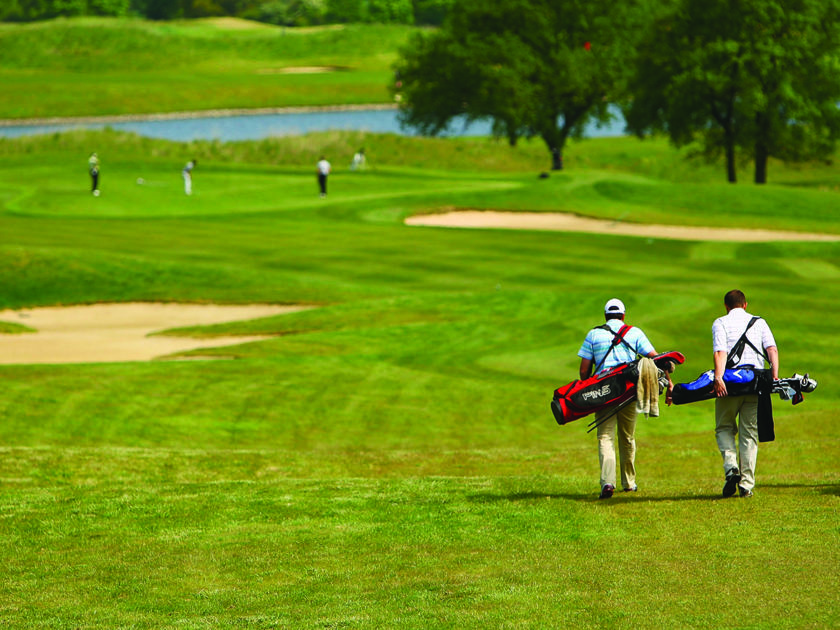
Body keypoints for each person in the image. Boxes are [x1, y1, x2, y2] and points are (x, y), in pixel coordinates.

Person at [578, 298, 672, 499]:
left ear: (605, 316)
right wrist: (669, 381)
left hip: (603, 392)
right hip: (629, 393)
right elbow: (656, 358)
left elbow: (584, 372)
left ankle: (607, 483)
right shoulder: (634, 332)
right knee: (627, 437)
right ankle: (629, 483)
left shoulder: (593, 334)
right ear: (623, 315)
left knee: (605, 437)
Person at [712, 290, 779, 498]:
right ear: (745, 305)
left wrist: (718, 377)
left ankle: (731, 467)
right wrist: (774, 377)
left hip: (729, 384)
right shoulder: (759, 322)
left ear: (726, 306)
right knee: (749, 434)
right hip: (754, 384)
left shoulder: (720, 322)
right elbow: (772, 350)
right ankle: (746, 485)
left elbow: (720, 352)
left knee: (724, 427)